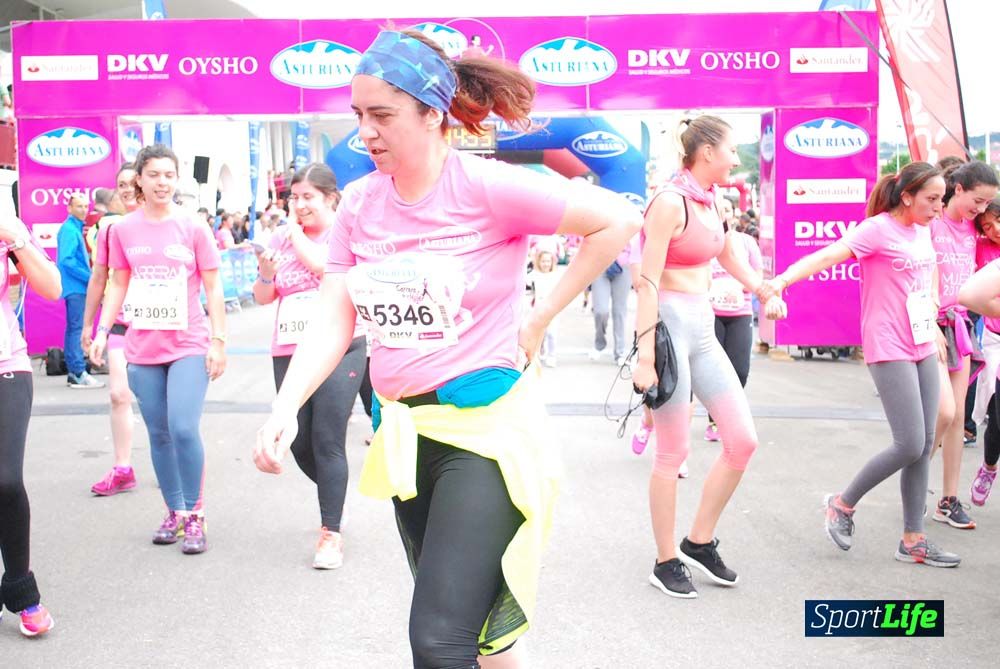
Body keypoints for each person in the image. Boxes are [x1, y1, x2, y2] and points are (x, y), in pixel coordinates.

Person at [253, 28, 640, 668]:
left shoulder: (485, 186)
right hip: (405, 436)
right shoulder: (359, 206)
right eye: (358, 115)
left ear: (432, 113)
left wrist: (540, 316)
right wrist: (283, 407)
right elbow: (334, 319)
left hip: (486, 435)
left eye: (382, 114)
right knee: (480, 631)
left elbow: (617, 220)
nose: (366, 131)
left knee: (438, 641)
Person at [765, 161, 961, 567]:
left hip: (922, 339)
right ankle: (841, 503)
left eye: (941, 199)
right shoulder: (876, 230)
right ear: (907, 196)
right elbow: (826, 256)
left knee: (923, 444)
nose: (938, 207)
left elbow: (929, 278)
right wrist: (782, 281)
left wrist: (936, 324)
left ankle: (914, 539)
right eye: (931, 199)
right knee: (908, 443)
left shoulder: (923, 229)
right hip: (887, 342)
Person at [632, 116, 767, 599]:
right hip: (668, 330)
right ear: (706, 151)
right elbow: (646, 281)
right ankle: (665, 559)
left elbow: (727, 255)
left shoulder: (711, 201)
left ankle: (699, 540)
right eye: (732, 149)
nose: (736, 158)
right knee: (673, 452)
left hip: (704, 330)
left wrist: (760, 288)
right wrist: (645, 355)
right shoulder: (669, 202)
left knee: (743, 441)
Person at [89, 144, 227, 555]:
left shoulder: (193, 227)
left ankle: (197, 514)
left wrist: (218, 341)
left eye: (169, 175)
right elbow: (118, 281)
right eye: (154, 175)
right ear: (140, 180)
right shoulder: (122, 229)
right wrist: (101, 330)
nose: (162, 182)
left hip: (187, 343)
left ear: (176, 178)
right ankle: (175, 511)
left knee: (183, 427)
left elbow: (213, 285)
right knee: (160, 433)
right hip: (142, 346)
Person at [253, 162, 366, 569]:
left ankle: (330, 533)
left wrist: (295, 233)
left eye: (308, 198)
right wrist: (266, 275)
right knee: (297, 442)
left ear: (330, 199)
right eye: (293, 197)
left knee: (326, 436)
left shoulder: (343, 233)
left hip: (342, 345)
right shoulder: (281, 238)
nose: (299, 205)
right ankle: (333, 497)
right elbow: (265, 296)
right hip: (288, 346)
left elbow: (322, 267)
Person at [1, 214, 61, 636]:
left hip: (7, 364)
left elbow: (52, 288)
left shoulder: (6, 226)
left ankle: (22, 590)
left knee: (4, 480)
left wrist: (15, 237)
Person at [930, 160, 999, 530]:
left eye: (988, 203)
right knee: (941, 414)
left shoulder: (976, 230)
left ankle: (948, 498)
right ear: (958, 189)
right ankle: (912, 475)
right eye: (978, 200)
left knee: (957, 417)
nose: (982, 209)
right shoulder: (931, 221)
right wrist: (928, 325)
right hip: (929, 326)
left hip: (961, 326)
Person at [82, 164, 141, 496]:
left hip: (158, 324)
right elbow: (100, 278)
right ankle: (123, 467)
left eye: (133, 183)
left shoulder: (169, 224)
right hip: (119, 320)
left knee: (158, 401)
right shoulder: (109, 229)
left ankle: (174, 457)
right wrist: (89, 325)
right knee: (119, 393)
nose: (128, 189)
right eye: (121, 184)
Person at [704, 216, 762, 441]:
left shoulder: (747, 243)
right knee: (714, 369)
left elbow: (757, 274)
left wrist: (744, 285)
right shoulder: (706, 242)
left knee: (740, 370)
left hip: (741, 311)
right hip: (712, 312)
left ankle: (726, 413)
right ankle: (716, 420)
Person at [964, 198, 1000, 506]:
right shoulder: (981, 248)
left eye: (998, 220)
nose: (994, 230)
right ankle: (989, 467)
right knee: (996, 412)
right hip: (994, 338)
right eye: (987, 226)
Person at [57, 194, 104, 388]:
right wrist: (91, 278)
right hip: (76, 288)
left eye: (86, 206)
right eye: (79, 206)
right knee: (76, 329)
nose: (84, 210)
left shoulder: (73, 228)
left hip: (76, 287)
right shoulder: (69, 229)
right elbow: (66, 261)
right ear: (69, 208)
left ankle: (75, 372)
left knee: (74, 329)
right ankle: (77, 372)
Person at [589, 238, 633, 366]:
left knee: (619, 311)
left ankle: (620, 352)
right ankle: (599, 344)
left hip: (623, 266)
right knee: (600, 311)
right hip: (600, 264)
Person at [529, 240, 561, 367]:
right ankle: (540, 351)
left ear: (552, 262)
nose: (546, 264)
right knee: (540, 333)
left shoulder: (556, 275)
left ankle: (552, 355)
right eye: (543, 261)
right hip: (538, 309)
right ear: (538, 262)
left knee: (552, 333)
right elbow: (524, 282)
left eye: (548, 261)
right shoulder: (534, 274)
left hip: (552, 309)